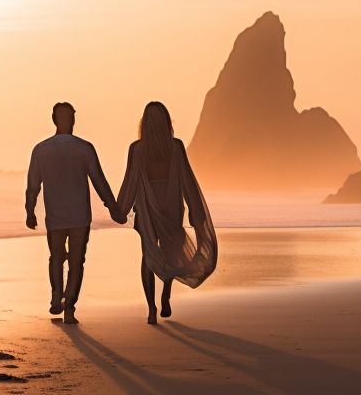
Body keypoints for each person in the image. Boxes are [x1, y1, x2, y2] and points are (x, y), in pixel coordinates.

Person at [115, 101, 217, 324]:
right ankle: (165, 296)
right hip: (171, 206)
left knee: (148, 255)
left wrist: (120, 208)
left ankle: (151, 309)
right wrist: (194, 210)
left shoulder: (137, 149)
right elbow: (188, 180)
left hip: (147, 209)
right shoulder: (176, 147)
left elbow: (129, 182)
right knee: (171, 252)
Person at [25, 102, 124, 324]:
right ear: (73, 119)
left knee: (56, 257)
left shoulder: (41, 149)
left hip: (56, 216)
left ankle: (55, 298)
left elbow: (33, 185)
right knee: (77, 261)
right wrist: (113, 207)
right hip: (79, 216)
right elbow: (99, 181)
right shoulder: (84, 148)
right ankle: (69, 306)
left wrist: (30, 210)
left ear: (53, 119)